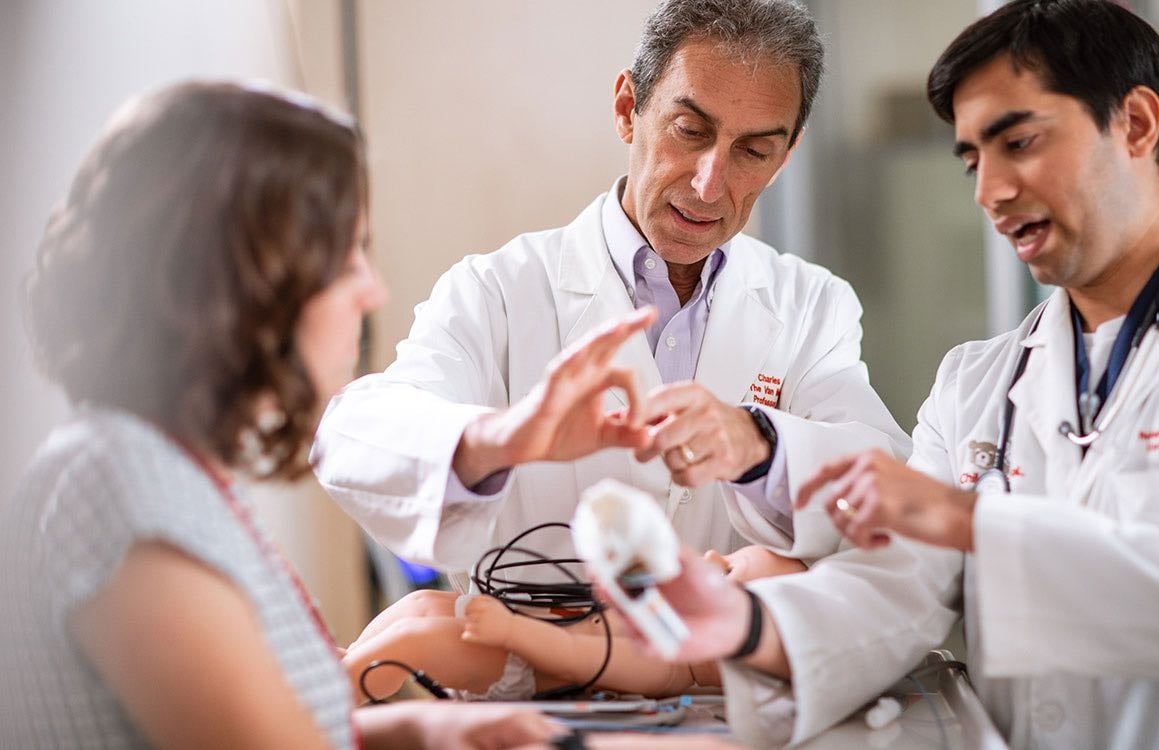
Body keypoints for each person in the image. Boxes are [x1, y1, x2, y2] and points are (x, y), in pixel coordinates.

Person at [624, 2, 1159, 748]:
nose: (988, 192)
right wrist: (738, 620)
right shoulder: (976, 385)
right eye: (971, 160)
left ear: (1137, 124)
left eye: (1018, 142)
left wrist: (967, 522)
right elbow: (894, 588)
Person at [0, 81, 558, 749]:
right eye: (346, 256)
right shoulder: (121, 487)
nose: (372, 289)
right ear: (244, 280)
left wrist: (412, 728)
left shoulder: (157, 469)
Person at [313, 0, 910, 583]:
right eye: (689, 131)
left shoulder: (811, 305)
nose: (709, 184)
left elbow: (891, 485)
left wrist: (761, 446)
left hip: (729, 676)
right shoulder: (496, 289)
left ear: (786, 156)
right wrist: (502, 437)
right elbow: (351, 440)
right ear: (628, 108)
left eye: (753, 151)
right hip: (531, 674)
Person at [342, 545, 807, 703]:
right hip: (508, 625)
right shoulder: (655, 613)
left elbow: (580, 657)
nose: (710, 556)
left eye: (725, 572)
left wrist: (511, 631)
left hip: (515, 661)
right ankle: (335, 668)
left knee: (413, 644)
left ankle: (327, 705)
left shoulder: (664, 665)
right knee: (419, 604)